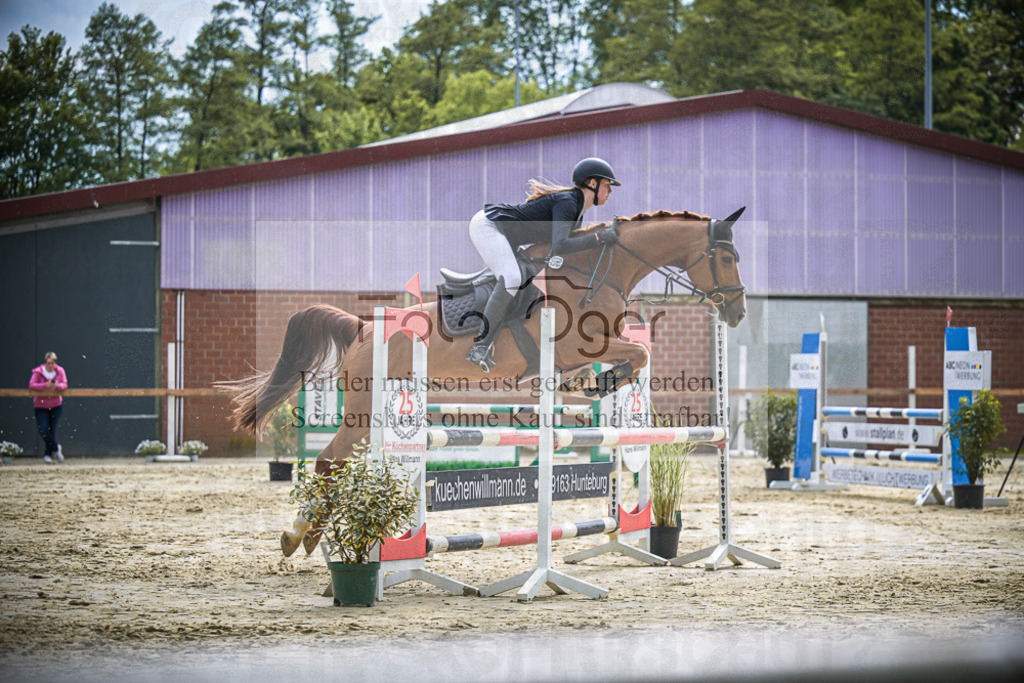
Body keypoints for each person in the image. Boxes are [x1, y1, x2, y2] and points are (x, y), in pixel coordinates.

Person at [466, 157, 621, 371]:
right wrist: (599, 238)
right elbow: (561, 245)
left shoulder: (576, 212)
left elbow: (560, 251)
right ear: (592, 184)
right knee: (512, 279)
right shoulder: (568, 202)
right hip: (489, 225)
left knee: (521, 281)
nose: (610, 191)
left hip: (505, 235)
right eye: (607, 185)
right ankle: (480, 346)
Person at [29, 352, 67, 463]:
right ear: (45, 362)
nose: (50, 365)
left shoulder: (60, 371)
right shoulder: (38, 372)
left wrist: (57, 386)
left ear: (55, 363)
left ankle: (48, 454)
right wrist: (44, 386)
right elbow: (32, 385)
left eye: (52, 363)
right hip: (41, 405)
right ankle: (56, 448)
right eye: (48, 363)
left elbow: (64, 384)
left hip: (55, 405)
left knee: (52, 430)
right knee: (43, 430)